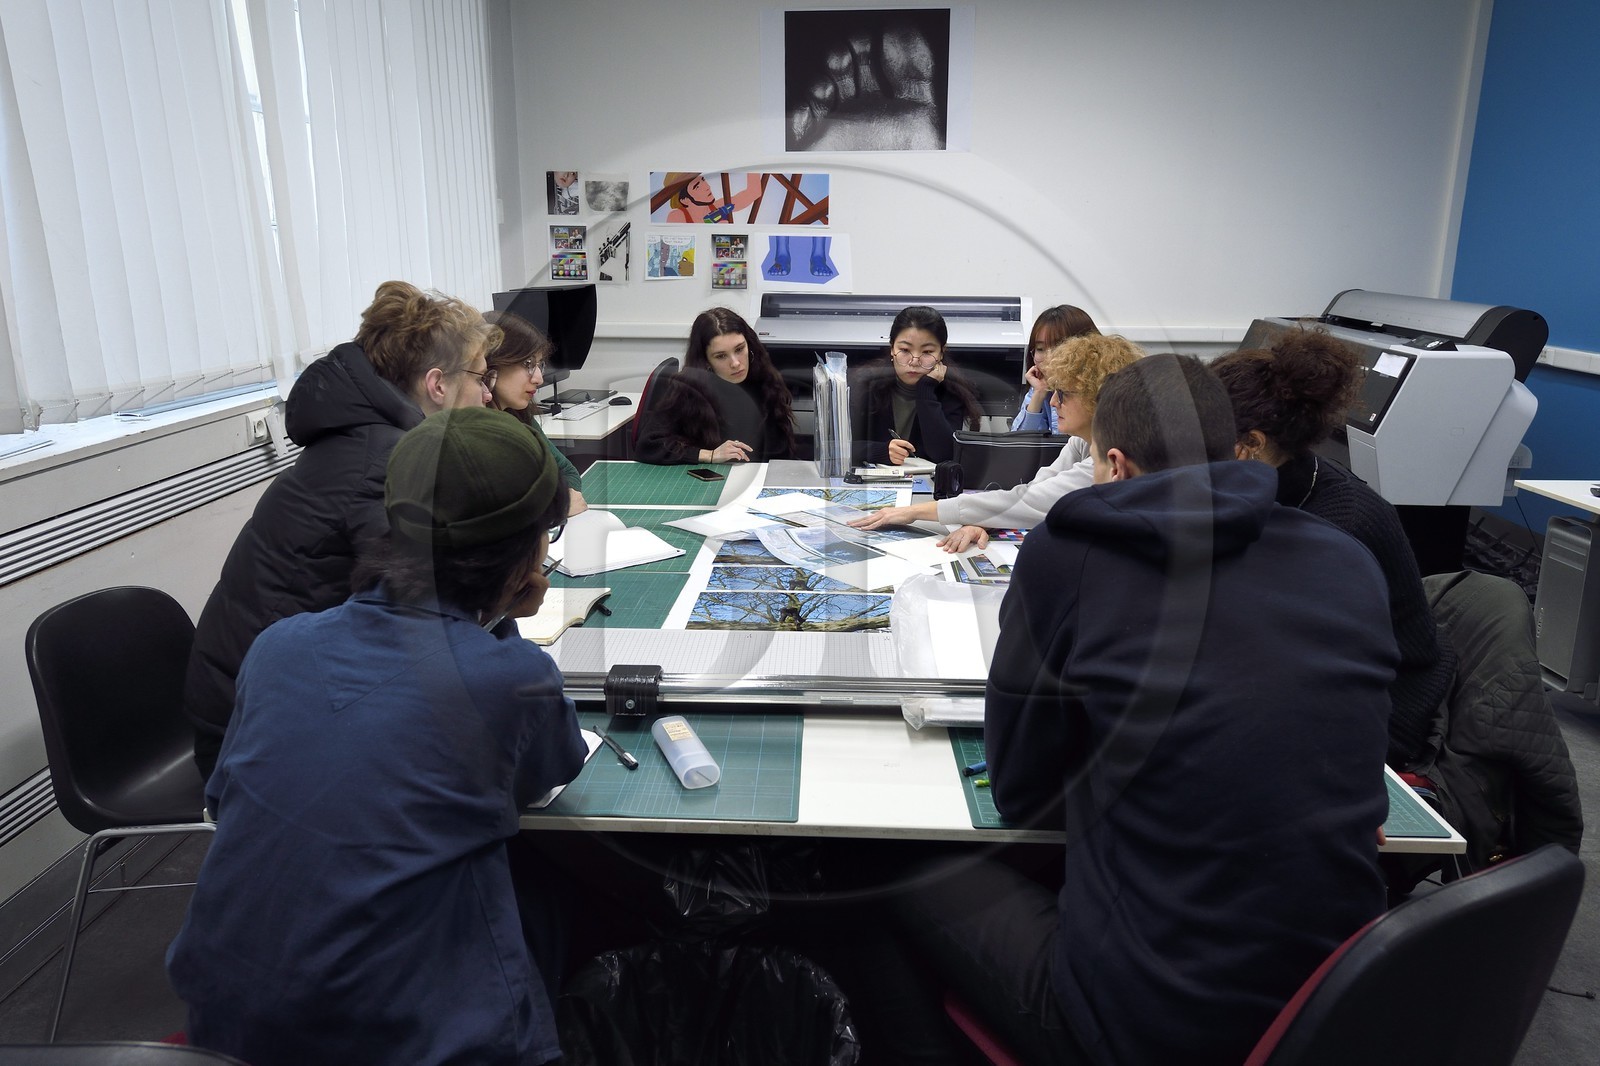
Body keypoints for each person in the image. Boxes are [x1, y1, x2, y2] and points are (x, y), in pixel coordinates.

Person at [891, 355, 1396, 1066]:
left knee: (898, 868)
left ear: (1117, 464)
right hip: (1338, 1001)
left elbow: (1022, 792)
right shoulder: (1345, 561)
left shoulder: (1069, 556)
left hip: (1148, 1025)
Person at [168, 407, 588, 1066]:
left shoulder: (279, 647)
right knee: (557, 893)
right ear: (527, 554)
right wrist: (501, 615)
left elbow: (227, 803)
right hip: (389, 1042)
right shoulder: (510, 677)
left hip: (223, 1027)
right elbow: (552, 769)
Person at [183, 281, 497, 779]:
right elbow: (414, 610)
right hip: (258, 728)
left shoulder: (367, 440)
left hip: (269, 691)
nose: (486, 395)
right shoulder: (385, 461)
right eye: (482, 378)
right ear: (437, 385)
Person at [1210, 328, 1455, 771]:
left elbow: (1288, 666)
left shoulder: (1338, 524)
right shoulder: (1268, 488)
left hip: (1384, 709)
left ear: (1252, 445)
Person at [849, 333, 1142, 551]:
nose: (1053, 401)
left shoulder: (1108, 460)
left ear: (1097, 398)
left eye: (1063, 394)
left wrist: (913, 512)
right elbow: (1036, 490)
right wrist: (983, 518)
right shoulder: (1085, 439)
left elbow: (1029, 502)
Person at [635, 306, 798, 465]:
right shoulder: (688, 389)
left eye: (740, 349)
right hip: (706, 483)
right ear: (706, 361)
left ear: (749, 344)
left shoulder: (766, 381)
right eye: (721, 356)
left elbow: (780, 453)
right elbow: (648, 445)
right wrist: (709, 454)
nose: (735, 363)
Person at [849, 304, 982, 467]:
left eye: (927, 352)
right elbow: (833, 447)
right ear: (892, 348)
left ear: (941, 353)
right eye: (905, 350)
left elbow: (946, 455)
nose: (914, 361)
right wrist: (880, 451)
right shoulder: (865, 386)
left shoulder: (953, 391)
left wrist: (926, 390)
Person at [483, 308, 588, 515]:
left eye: (539, 365)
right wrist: (555, 505)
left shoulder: (518, 415)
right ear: (490, 364)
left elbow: (567, 472)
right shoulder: (473, 431)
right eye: (527, 364)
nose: (539, 378)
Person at [1011, 304, 1101, 432]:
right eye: (1040, 349)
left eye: (1058, 347)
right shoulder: (1043, 386)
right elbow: (1019, 443)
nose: (1049, 358)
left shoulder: (1104, 390)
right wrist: (1039, 392)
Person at [662, 171, 763, 224]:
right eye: (697, 186)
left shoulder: (718, 207)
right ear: (685, 199)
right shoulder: (677, 216)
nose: (707, 187)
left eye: (703, 180)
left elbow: (754, 192)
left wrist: (753, 159)